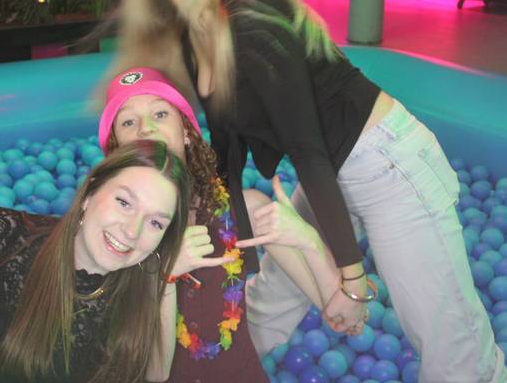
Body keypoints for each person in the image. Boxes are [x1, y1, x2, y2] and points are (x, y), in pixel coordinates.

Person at [111, 0, 507, 382]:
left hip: (383, 161)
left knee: (450, 345)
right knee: (270, 296)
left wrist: (351, 280)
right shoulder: (191, 42)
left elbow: (307, 149)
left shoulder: (249, 21)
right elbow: (226, 145)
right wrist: (205, 217)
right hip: (330, 177)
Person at [98, 67, 344, 383]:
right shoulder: (113, 235)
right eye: (128, 122)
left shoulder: (241, 211)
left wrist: (309, 239)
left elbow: (339, 311)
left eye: (160, 114)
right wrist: (165, 275)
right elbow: (151, 370)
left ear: (186, 132)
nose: (145, 127)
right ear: (117, 149)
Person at [0, 140, 190, 383]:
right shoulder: (0, 234)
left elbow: (154, 373)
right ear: (90, 193)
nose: (132, 231)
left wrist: (166, 277)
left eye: (155, 222)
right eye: (124, 202)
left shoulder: (137, 299)